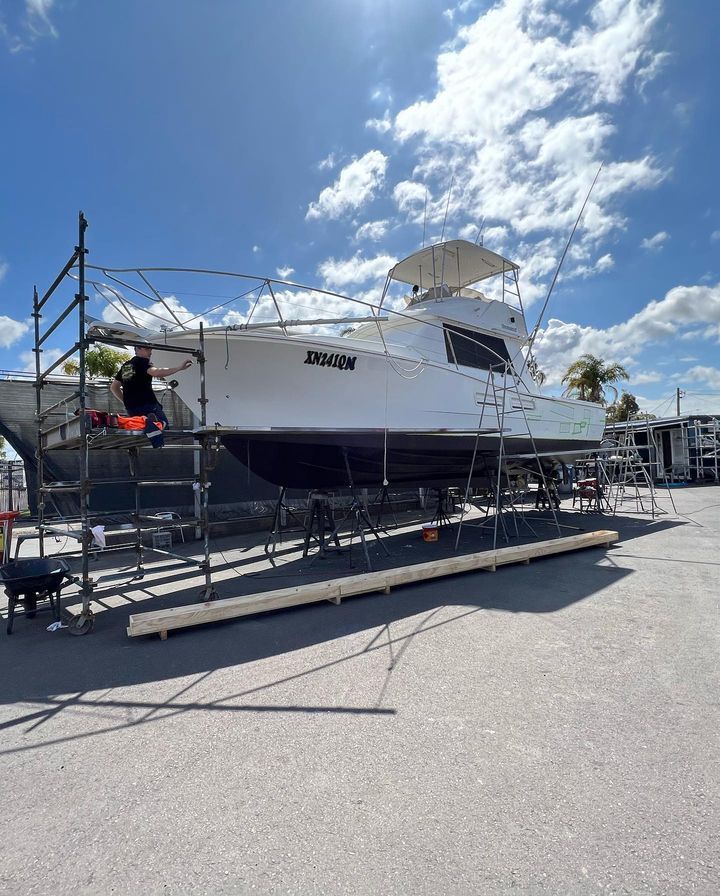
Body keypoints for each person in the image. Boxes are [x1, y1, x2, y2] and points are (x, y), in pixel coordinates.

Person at [110, 345, 192, 429]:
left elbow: (114, 387)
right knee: (163, 428)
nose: (150, 352)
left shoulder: (127, 366)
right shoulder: (143, 362)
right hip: (147, 405)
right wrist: (179, 368)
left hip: (132, 408)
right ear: (138, 349)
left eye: (150, 349)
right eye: (147, 349)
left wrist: (126, 401)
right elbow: (156, 372)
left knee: (142, 431)